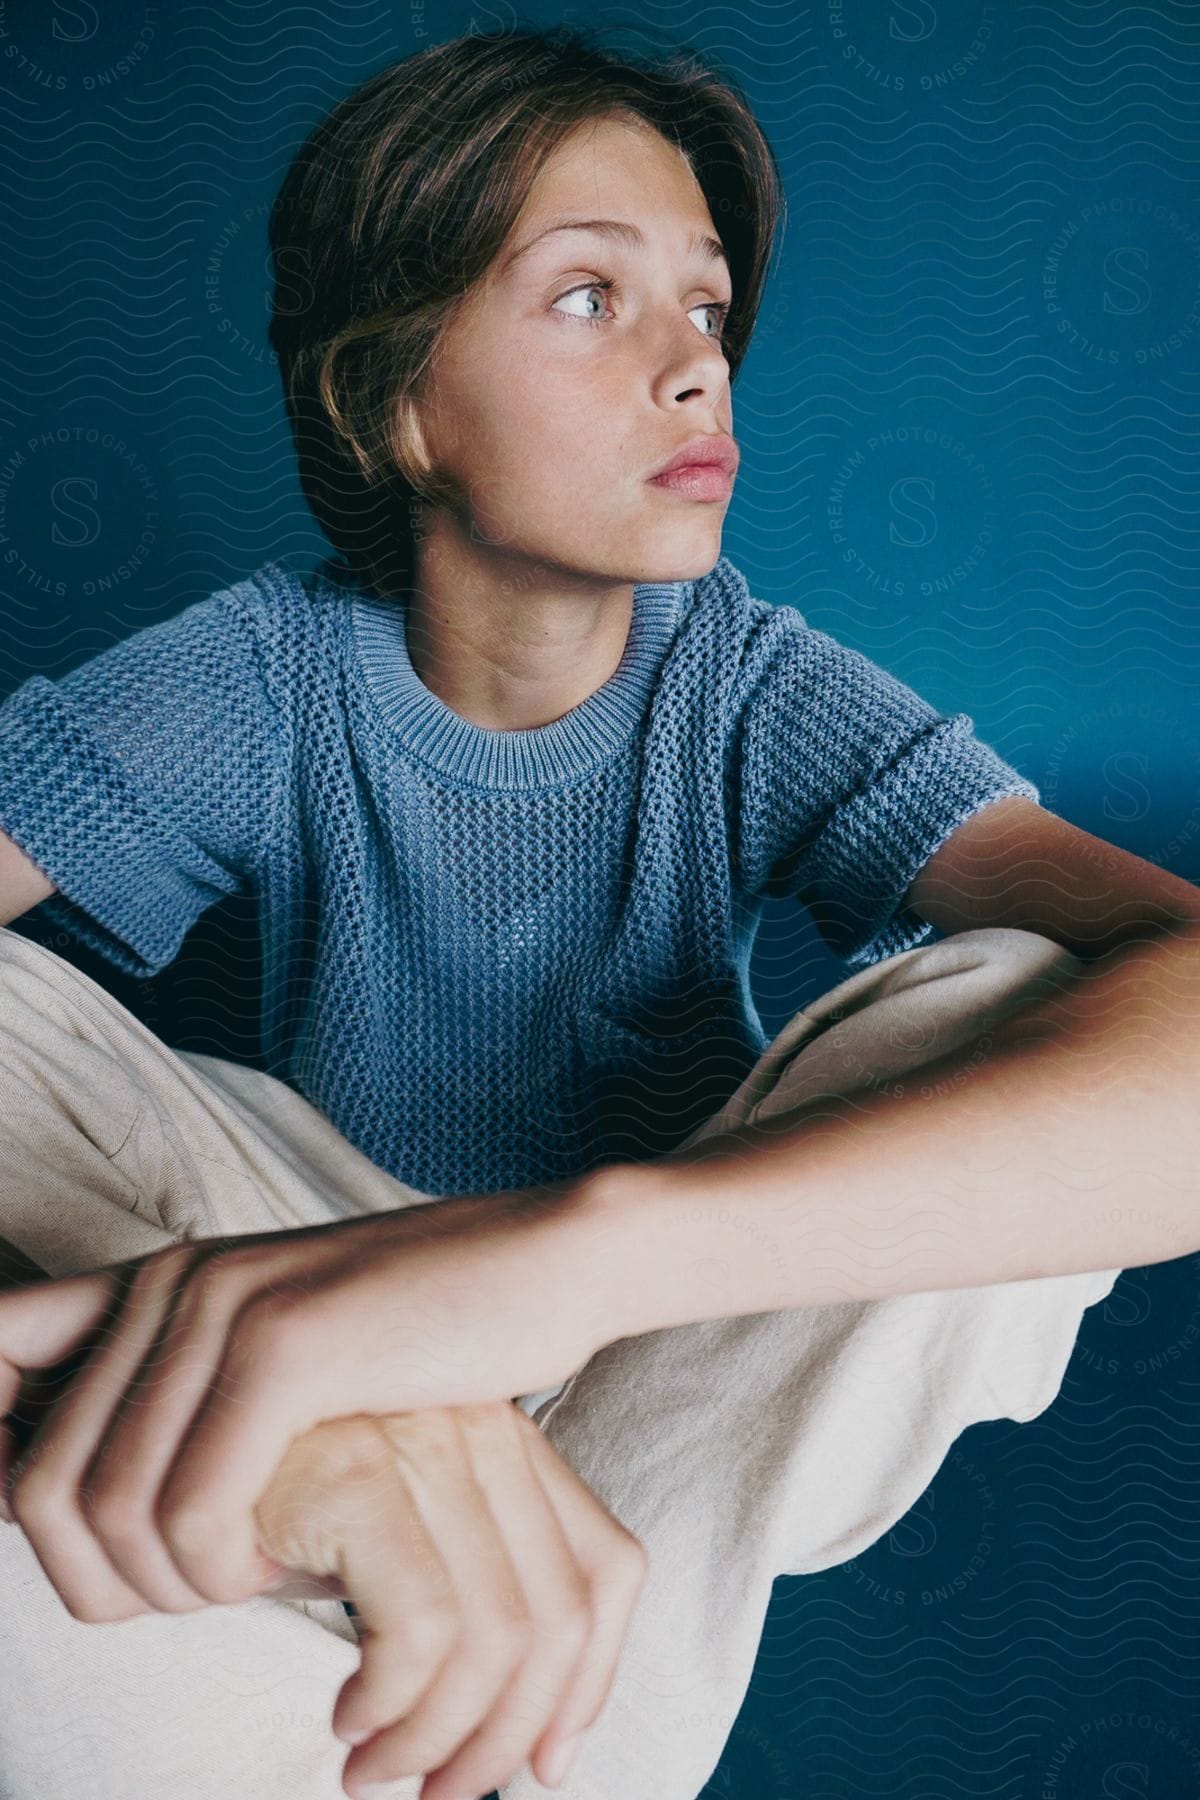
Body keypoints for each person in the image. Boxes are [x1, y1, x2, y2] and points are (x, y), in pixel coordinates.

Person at [0, 25, 1197, 1800]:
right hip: (303, 1247)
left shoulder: (754, 683)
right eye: (588, 298)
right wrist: (366, 1305)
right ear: (394, 402)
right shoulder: (257, 670)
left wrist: (565, 1266)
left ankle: (441, 1622)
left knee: (1025, 995)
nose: (693, 373)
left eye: (706, 312)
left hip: (673, 1318)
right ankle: (482, 1629)